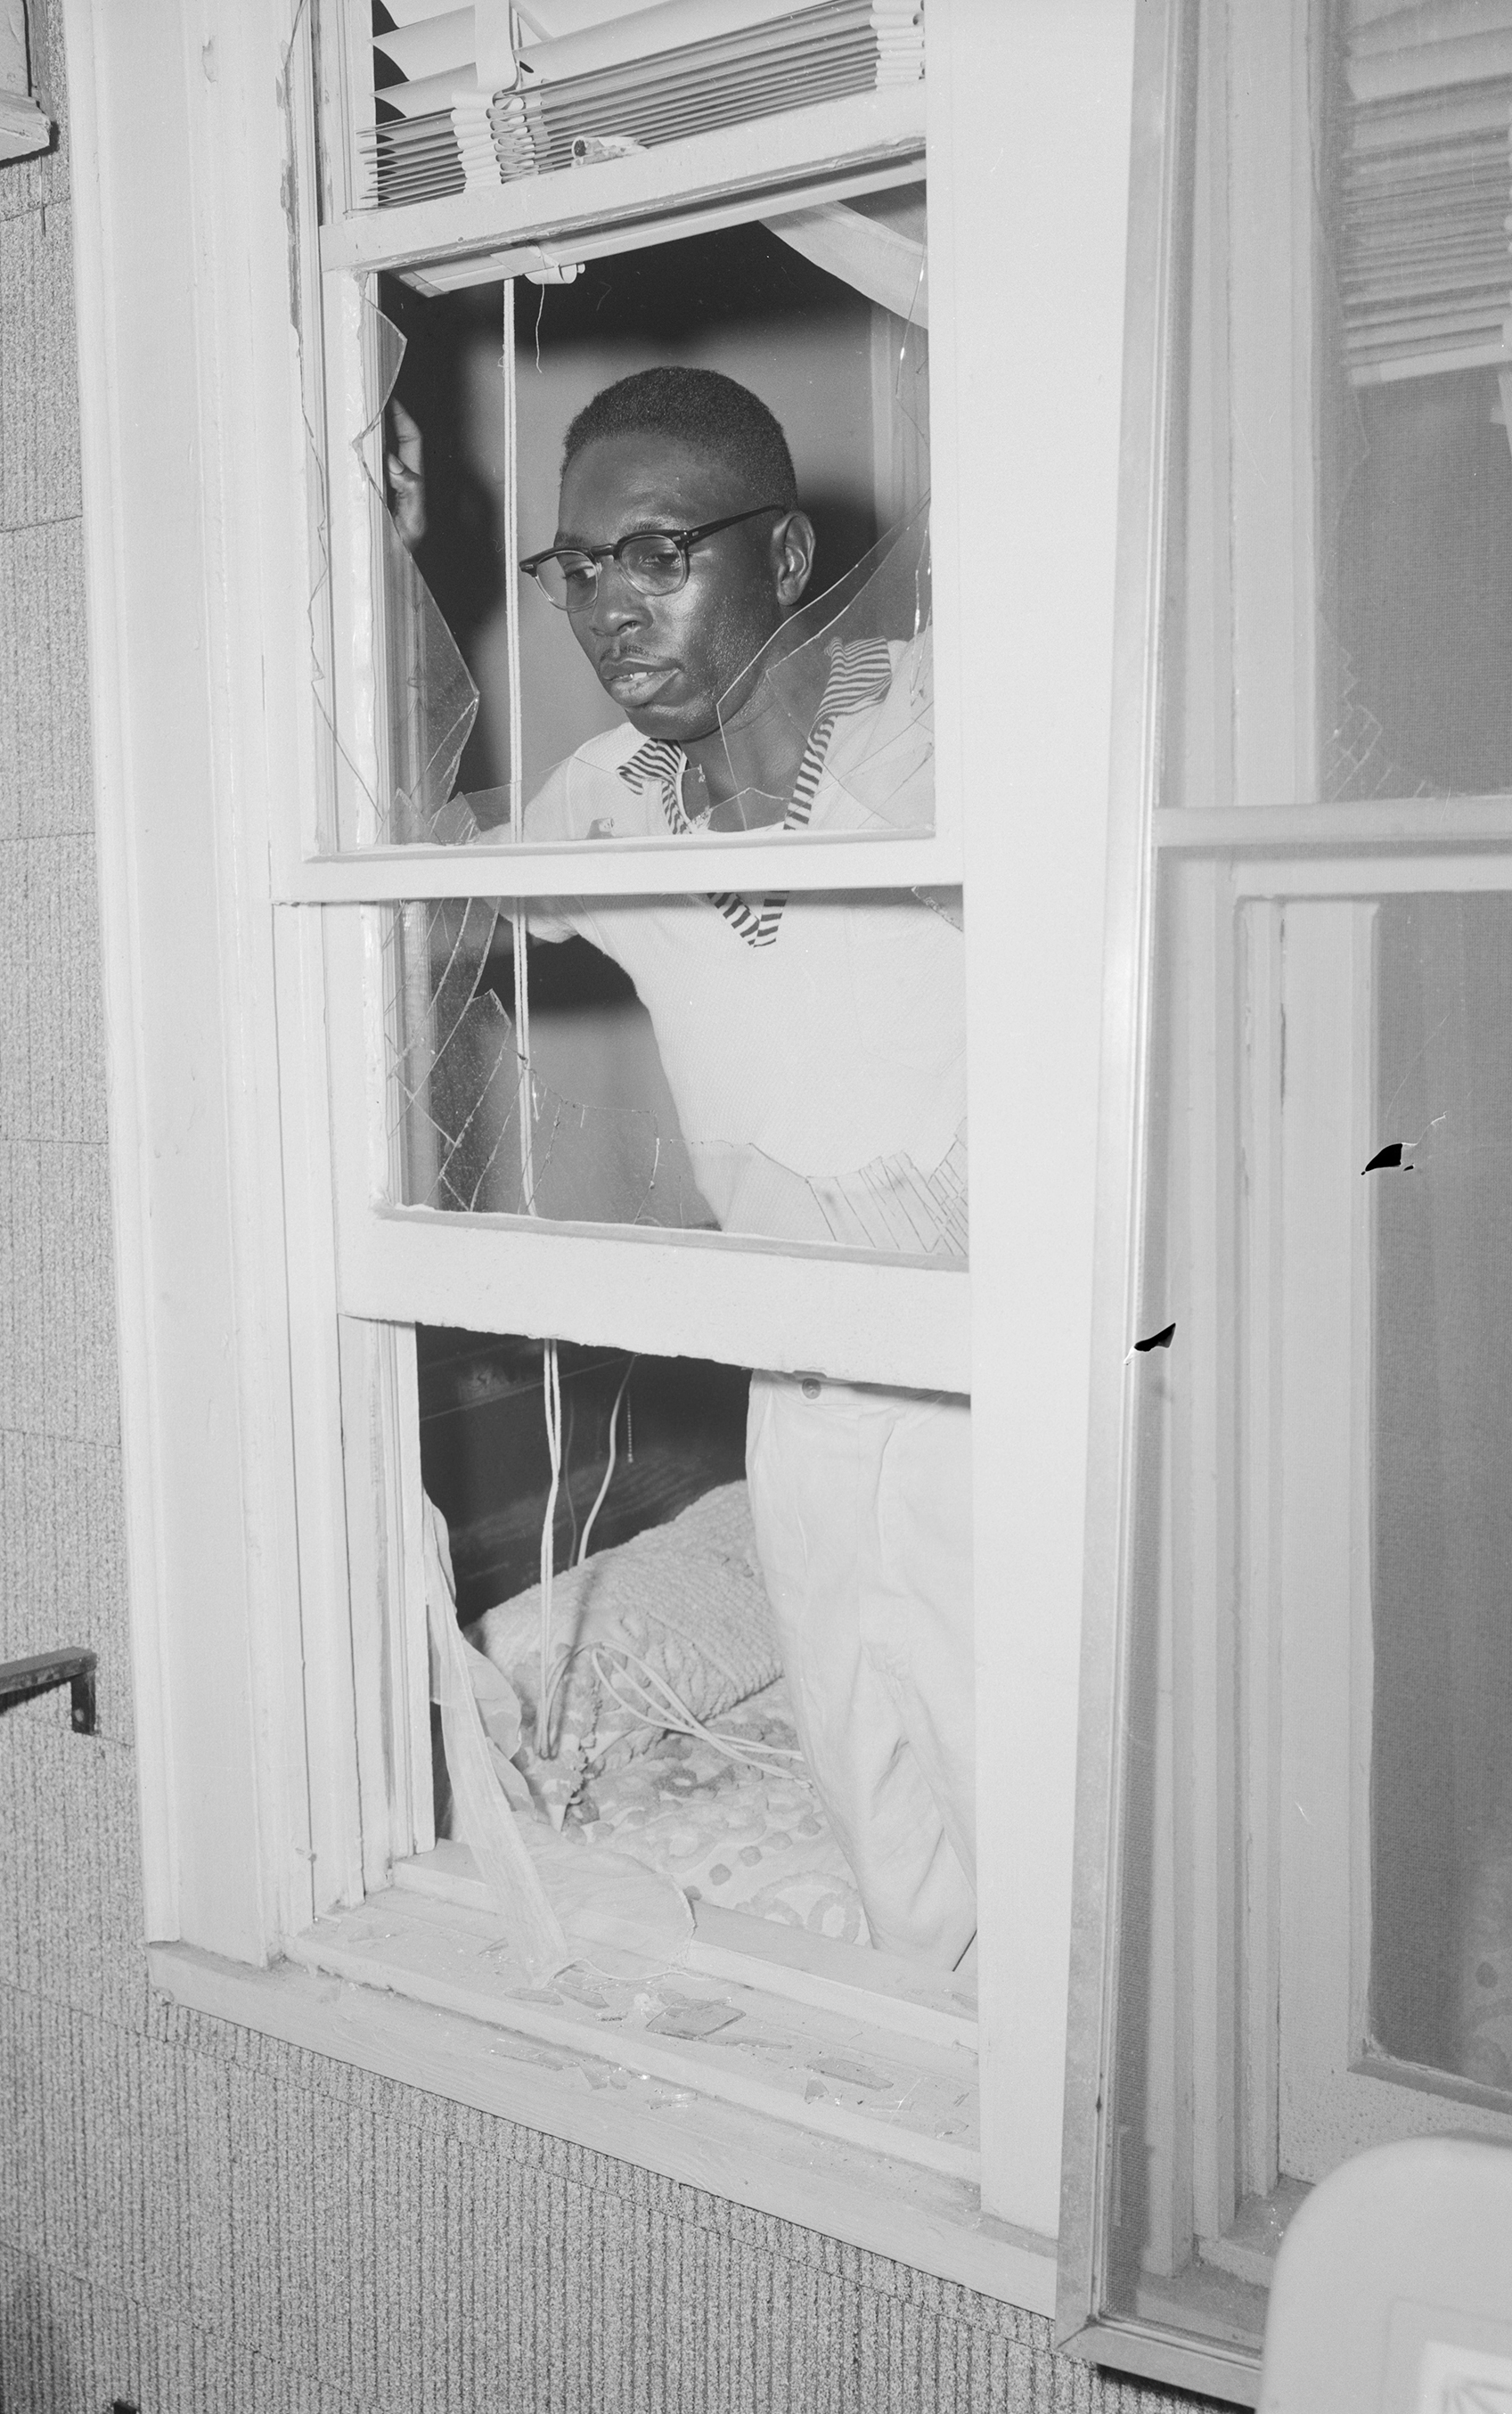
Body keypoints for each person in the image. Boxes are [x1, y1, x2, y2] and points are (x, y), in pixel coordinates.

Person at [411, 364, 974, 1968]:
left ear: (788, 559)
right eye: (577, 568)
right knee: (885, 1827)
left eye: (658, 552)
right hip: (799, 1383)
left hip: (997, 1377)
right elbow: (413, 877)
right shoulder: (609, 799)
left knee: (1040, 1805)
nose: (605, 610)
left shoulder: (938, 729)